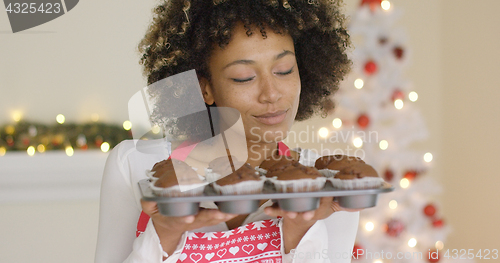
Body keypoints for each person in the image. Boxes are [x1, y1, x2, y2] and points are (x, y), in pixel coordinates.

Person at [95, 0, 359, 262]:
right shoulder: (137, 165)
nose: (271, 94)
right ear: (204, 88)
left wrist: (301, 233)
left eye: (284, 70)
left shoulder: (327, 186)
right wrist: (163, 236)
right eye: (244, 77)